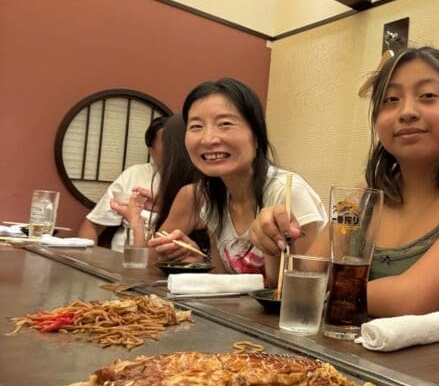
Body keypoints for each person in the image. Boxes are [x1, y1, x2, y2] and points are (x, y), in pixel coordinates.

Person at [251, 46, 439, 342]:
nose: (407, 112)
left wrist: (316, 286)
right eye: (391, 100)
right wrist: (274, 240)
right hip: (359, 373)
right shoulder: (358, 200)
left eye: (427, 96)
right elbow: (301, 282)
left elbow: (414, 300)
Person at [149, 78, 327, 279]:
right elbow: (226, 280)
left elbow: (302, 287)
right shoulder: (214, 200)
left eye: (225, 124)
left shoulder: (287, 192)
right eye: (196, 126)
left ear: (257, 137)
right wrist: (198, 261)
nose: (208, 139)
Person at [110, 113, 207, 252]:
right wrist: (164, 204)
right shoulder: (205, 188)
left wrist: (135, 220)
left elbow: (148, 261)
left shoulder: (192, 194)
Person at [77, 115, 167, 251]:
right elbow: (91, 225)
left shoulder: (197, 182)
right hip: (121, 260)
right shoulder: (135, 174)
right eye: (167, 142)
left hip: (160, 262)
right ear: (151, 151)